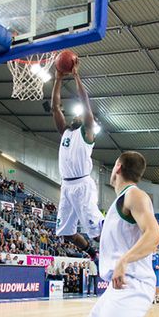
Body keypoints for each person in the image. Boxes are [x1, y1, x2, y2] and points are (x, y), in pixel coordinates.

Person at [71, 151, 159, 317]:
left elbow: (154, 235)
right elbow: (110, 246)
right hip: (114, 288)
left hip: (131, 284)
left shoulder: (134, 194)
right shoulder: (115, 206)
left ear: (118, 167)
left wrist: (124, 261)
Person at [52, 61, 103, 259]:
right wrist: (58, 79)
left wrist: (76, 76)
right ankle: (94, 255)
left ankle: (121, 254)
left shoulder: (87, 132)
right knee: (66, 233)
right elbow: (56, 107)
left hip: (83, 185)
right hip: (66, 186)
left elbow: (85, 102)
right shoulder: (66, 131)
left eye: (80, 115)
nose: (77, 115)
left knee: (97, 232)